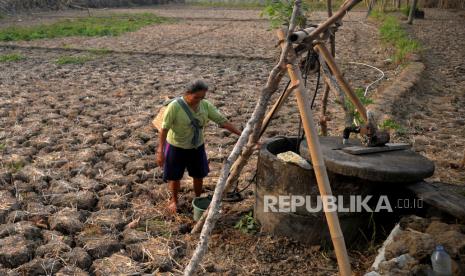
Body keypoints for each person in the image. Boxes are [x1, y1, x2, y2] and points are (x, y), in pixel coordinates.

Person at [156, 80, 241, 214]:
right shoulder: (175, 106)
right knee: (174, 176)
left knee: (198, 174)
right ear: (187, 94)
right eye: (196, 97)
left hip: (196, 147)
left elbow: (222, 121)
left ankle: (197, 198)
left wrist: (242, 134)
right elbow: (164, 129)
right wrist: (160, 151)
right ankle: (174, 200)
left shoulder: (205, 105)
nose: (198, 100)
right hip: (176, 146)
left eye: (202, 97)